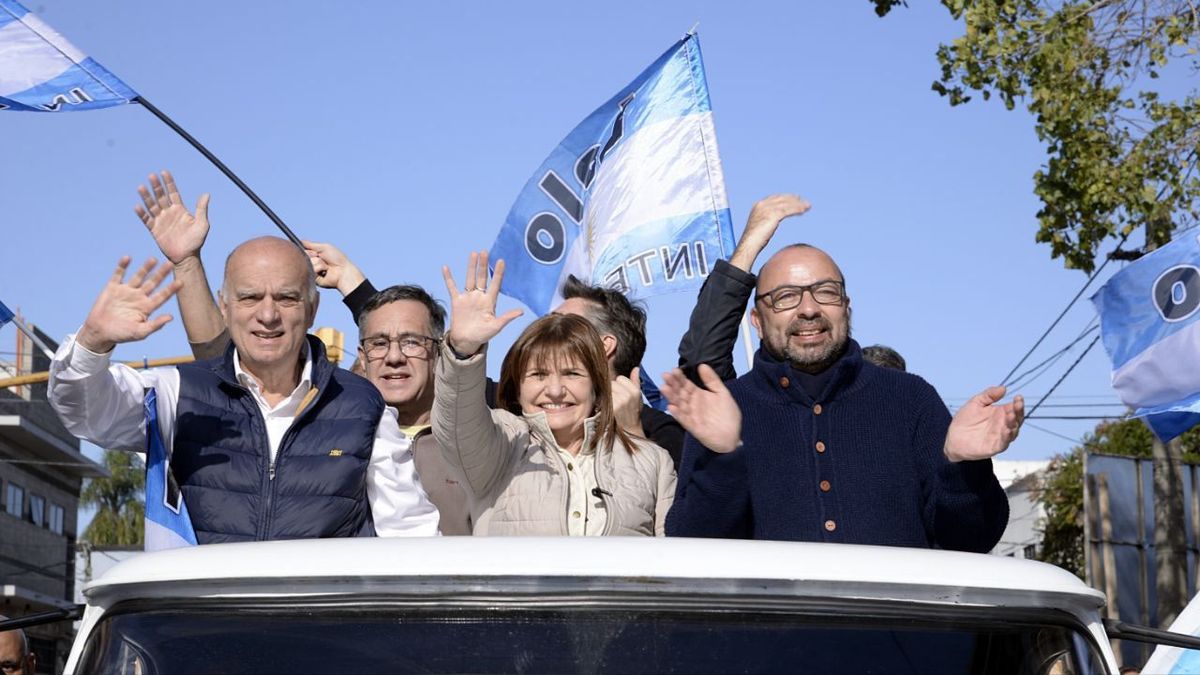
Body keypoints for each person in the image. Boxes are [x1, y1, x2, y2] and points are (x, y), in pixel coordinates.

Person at [131, 172, 470, 535]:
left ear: (439, 350)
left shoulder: (475, 429)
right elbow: (227, 352)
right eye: (378, 344)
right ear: (361, 354)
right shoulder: (336, 406)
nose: (394, 357)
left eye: (413, 343)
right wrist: (187, 263)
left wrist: (466, 347)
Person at [48, 238, 440, 542]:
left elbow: (411, 537)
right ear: (225, 306)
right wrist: (93, 341)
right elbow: (86, 414)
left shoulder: (362, 406)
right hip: (204, 622)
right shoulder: (177, 392)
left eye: (286, 298)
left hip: (324, 624)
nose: (267, 315)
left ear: (312, 309)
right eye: (250, 297)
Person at [662, 241, 1020, 552]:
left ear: (846, 306)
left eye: (826, 292)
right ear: (757, 320)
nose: (809, 309)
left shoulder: (911, 399)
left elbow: (972, 541)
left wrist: (963, 467)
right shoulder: (726, 409)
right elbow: (693, 549)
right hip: (769, 615)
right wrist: (724, 458)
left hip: (899, 614)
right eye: (786, 297)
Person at [432, 251, 675, 535]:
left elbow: (675, 557)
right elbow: (457, 422)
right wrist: (462, 351)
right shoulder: (501, 443)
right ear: (517, 387)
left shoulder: (654, 461)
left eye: (572, 374)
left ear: (596, 385)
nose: (556, 390)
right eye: (538, 374)